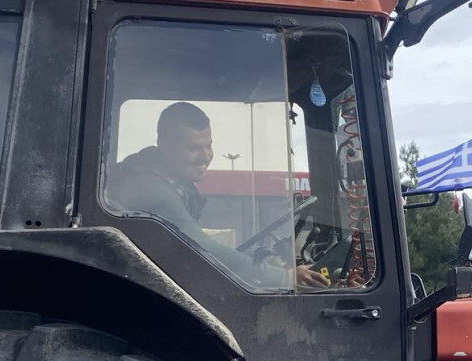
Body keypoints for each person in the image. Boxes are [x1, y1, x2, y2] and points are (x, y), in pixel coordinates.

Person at [106, 101, 327, 289]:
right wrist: (284, 277)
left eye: (208, 146)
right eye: (193, 148)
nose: (205, 156)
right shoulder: (153, 189)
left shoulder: (162, 179)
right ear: (165, 146)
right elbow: (200, 248)